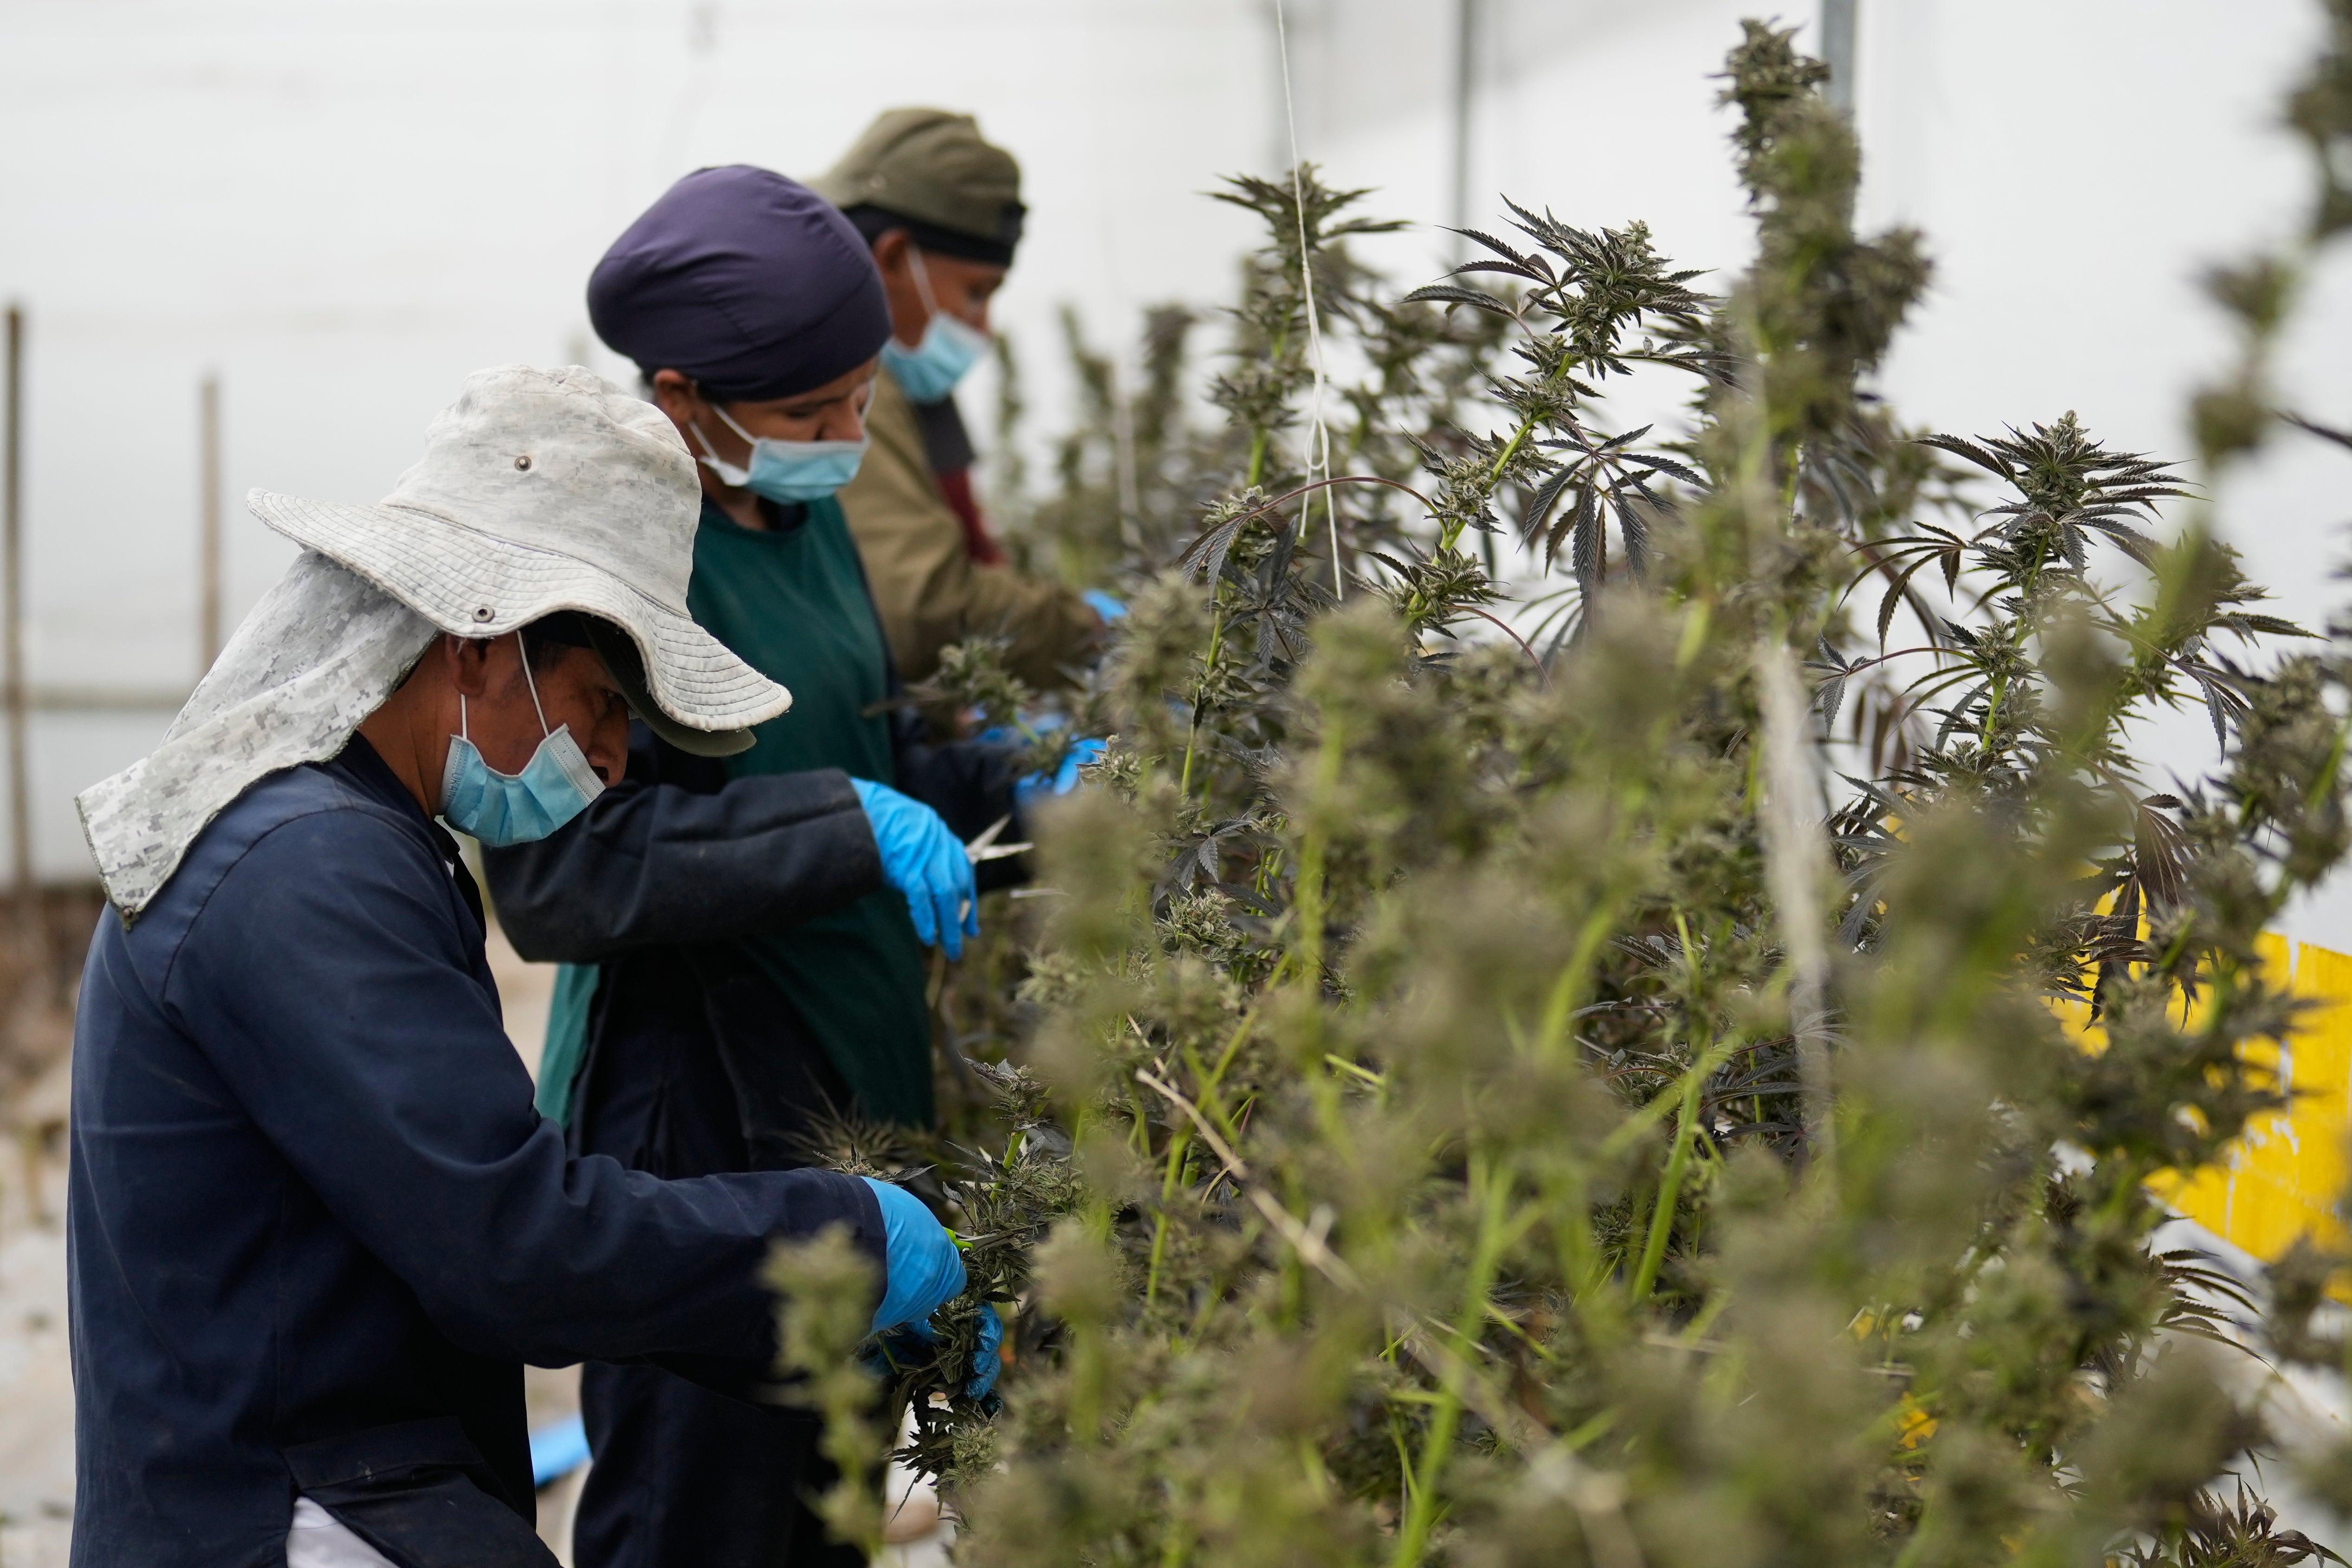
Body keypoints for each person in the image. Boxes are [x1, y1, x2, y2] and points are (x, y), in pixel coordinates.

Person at [66, 365, 982, 1568]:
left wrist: (808, 1315)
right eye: (602, 705)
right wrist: (850, 1237)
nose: (609, 762)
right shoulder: (306, 869)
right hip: (283, 1513)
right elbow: (514, 1247)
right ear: (476, 644)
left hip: (342, 1481)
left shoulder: (353, 839)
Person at [483, 166, 1024, 1568]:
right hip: (698, 1112)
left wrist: (998, 778)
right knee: (697, 1515)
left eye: (858, 398)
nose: (848, 436)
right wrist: (844, 823)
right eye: (809, 416)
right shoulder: (606, 561)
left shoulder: (810, 508)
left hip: (848, 1072)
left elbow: (862, 728)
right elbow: (560, 882)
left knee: (829, 1506)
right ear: (680, 399)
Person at [811, 108, 1112, 691]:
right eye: (976, 293)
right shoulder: (845, 387)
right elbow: (925, 608)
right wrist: (1089, 628)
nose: (985, 326)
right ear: (895, 259)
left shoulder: (905, 385)